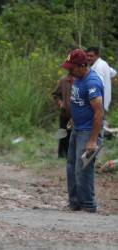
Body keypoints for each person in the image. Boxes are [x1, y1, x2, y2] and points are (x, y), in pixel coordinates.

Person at [62, 49, 104, 213]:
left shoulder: (92, 82)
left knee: (83, 168)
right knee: (71, 166)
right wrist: (74, 117)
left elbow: (98, 112)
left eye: (71, 68)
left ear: (82, 66)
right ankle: (74, 203)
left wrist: (93, 140)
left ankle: (88, 204)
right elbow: (79, 102)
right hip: (77, 128)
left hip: (88, 132)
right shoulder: (77, 78)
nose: (69, 71)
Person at [86, 47, 116, 112]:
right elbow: (113, 73)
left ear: (97, 56)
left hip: (98, 103)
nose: (88, 58)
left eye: (91, 56)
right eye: (87, 56)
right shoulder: (103, 63)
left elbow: (97, 87)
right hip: (104, 101)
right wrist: (108, 82)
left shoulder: (98, 68)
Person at [52, 74, 73, 158]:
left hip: (77, 116)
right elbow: (55, 94)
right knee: (62, 134)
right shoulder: (64, 80)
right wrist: (60, 102)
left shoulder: (83, 80)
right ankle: (61, 155)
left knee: (73, 135)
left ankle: (71, 155)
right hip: (65, 113)